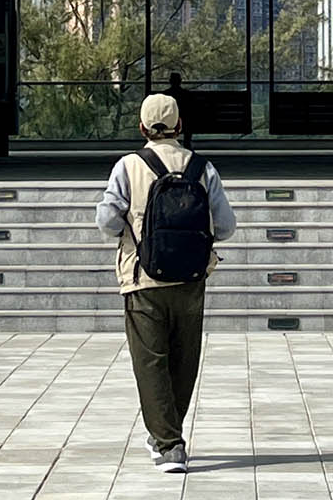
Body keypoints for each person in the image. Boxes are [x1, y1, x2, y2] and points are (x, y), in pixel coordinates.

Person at [96, 91, 236, 474]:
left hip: (142, 278)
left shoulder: (128, 166)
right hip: (191, 278)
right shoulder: (202, 168)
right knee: (184, 360)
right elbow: (226, 227)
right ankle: (167, 432)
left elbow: (106, 222)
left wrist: (131, 227)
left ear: (142, 127)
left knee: (150, 361)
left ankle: (169, 444)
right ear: (179, 126)